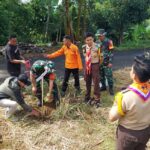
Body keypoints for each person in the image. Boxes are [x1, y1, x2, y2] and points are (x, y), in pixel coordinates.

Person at [109, 54, 150, 150]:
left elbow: (112, 117)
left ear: (134, 75)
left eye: (131, 69)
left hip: (127, 134)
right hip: (145, 132)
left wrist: (116, 103)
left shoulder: (125, 96)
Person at [82, 32, 103, 107]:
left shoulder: (98, 46)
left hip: (95, 65)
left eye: (90, 39)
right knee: (87, 81)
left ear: (93, 39)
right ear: (85, 41)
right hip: (87, 65)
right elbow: (85, 56)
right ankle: (87, 97)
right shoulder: (84, 47)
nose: (89, 41)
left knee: (96, 81)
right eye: (87, 40)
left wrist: (97, 65)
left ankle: (97, 99)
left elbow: (101, 57)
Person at [96, 29, 114, 95]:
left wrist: (110, 62)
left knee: (109, 75)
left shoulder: (109, 41)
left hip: (107, 61)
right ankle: (103, 86)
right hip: (100, 62)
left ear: (104, 35)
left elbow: (112, 52)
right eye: (98, 36)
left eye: (100, 36)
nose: (99, 37)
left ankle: (111, 89)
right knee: (101, 75)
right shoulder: (97, 42)